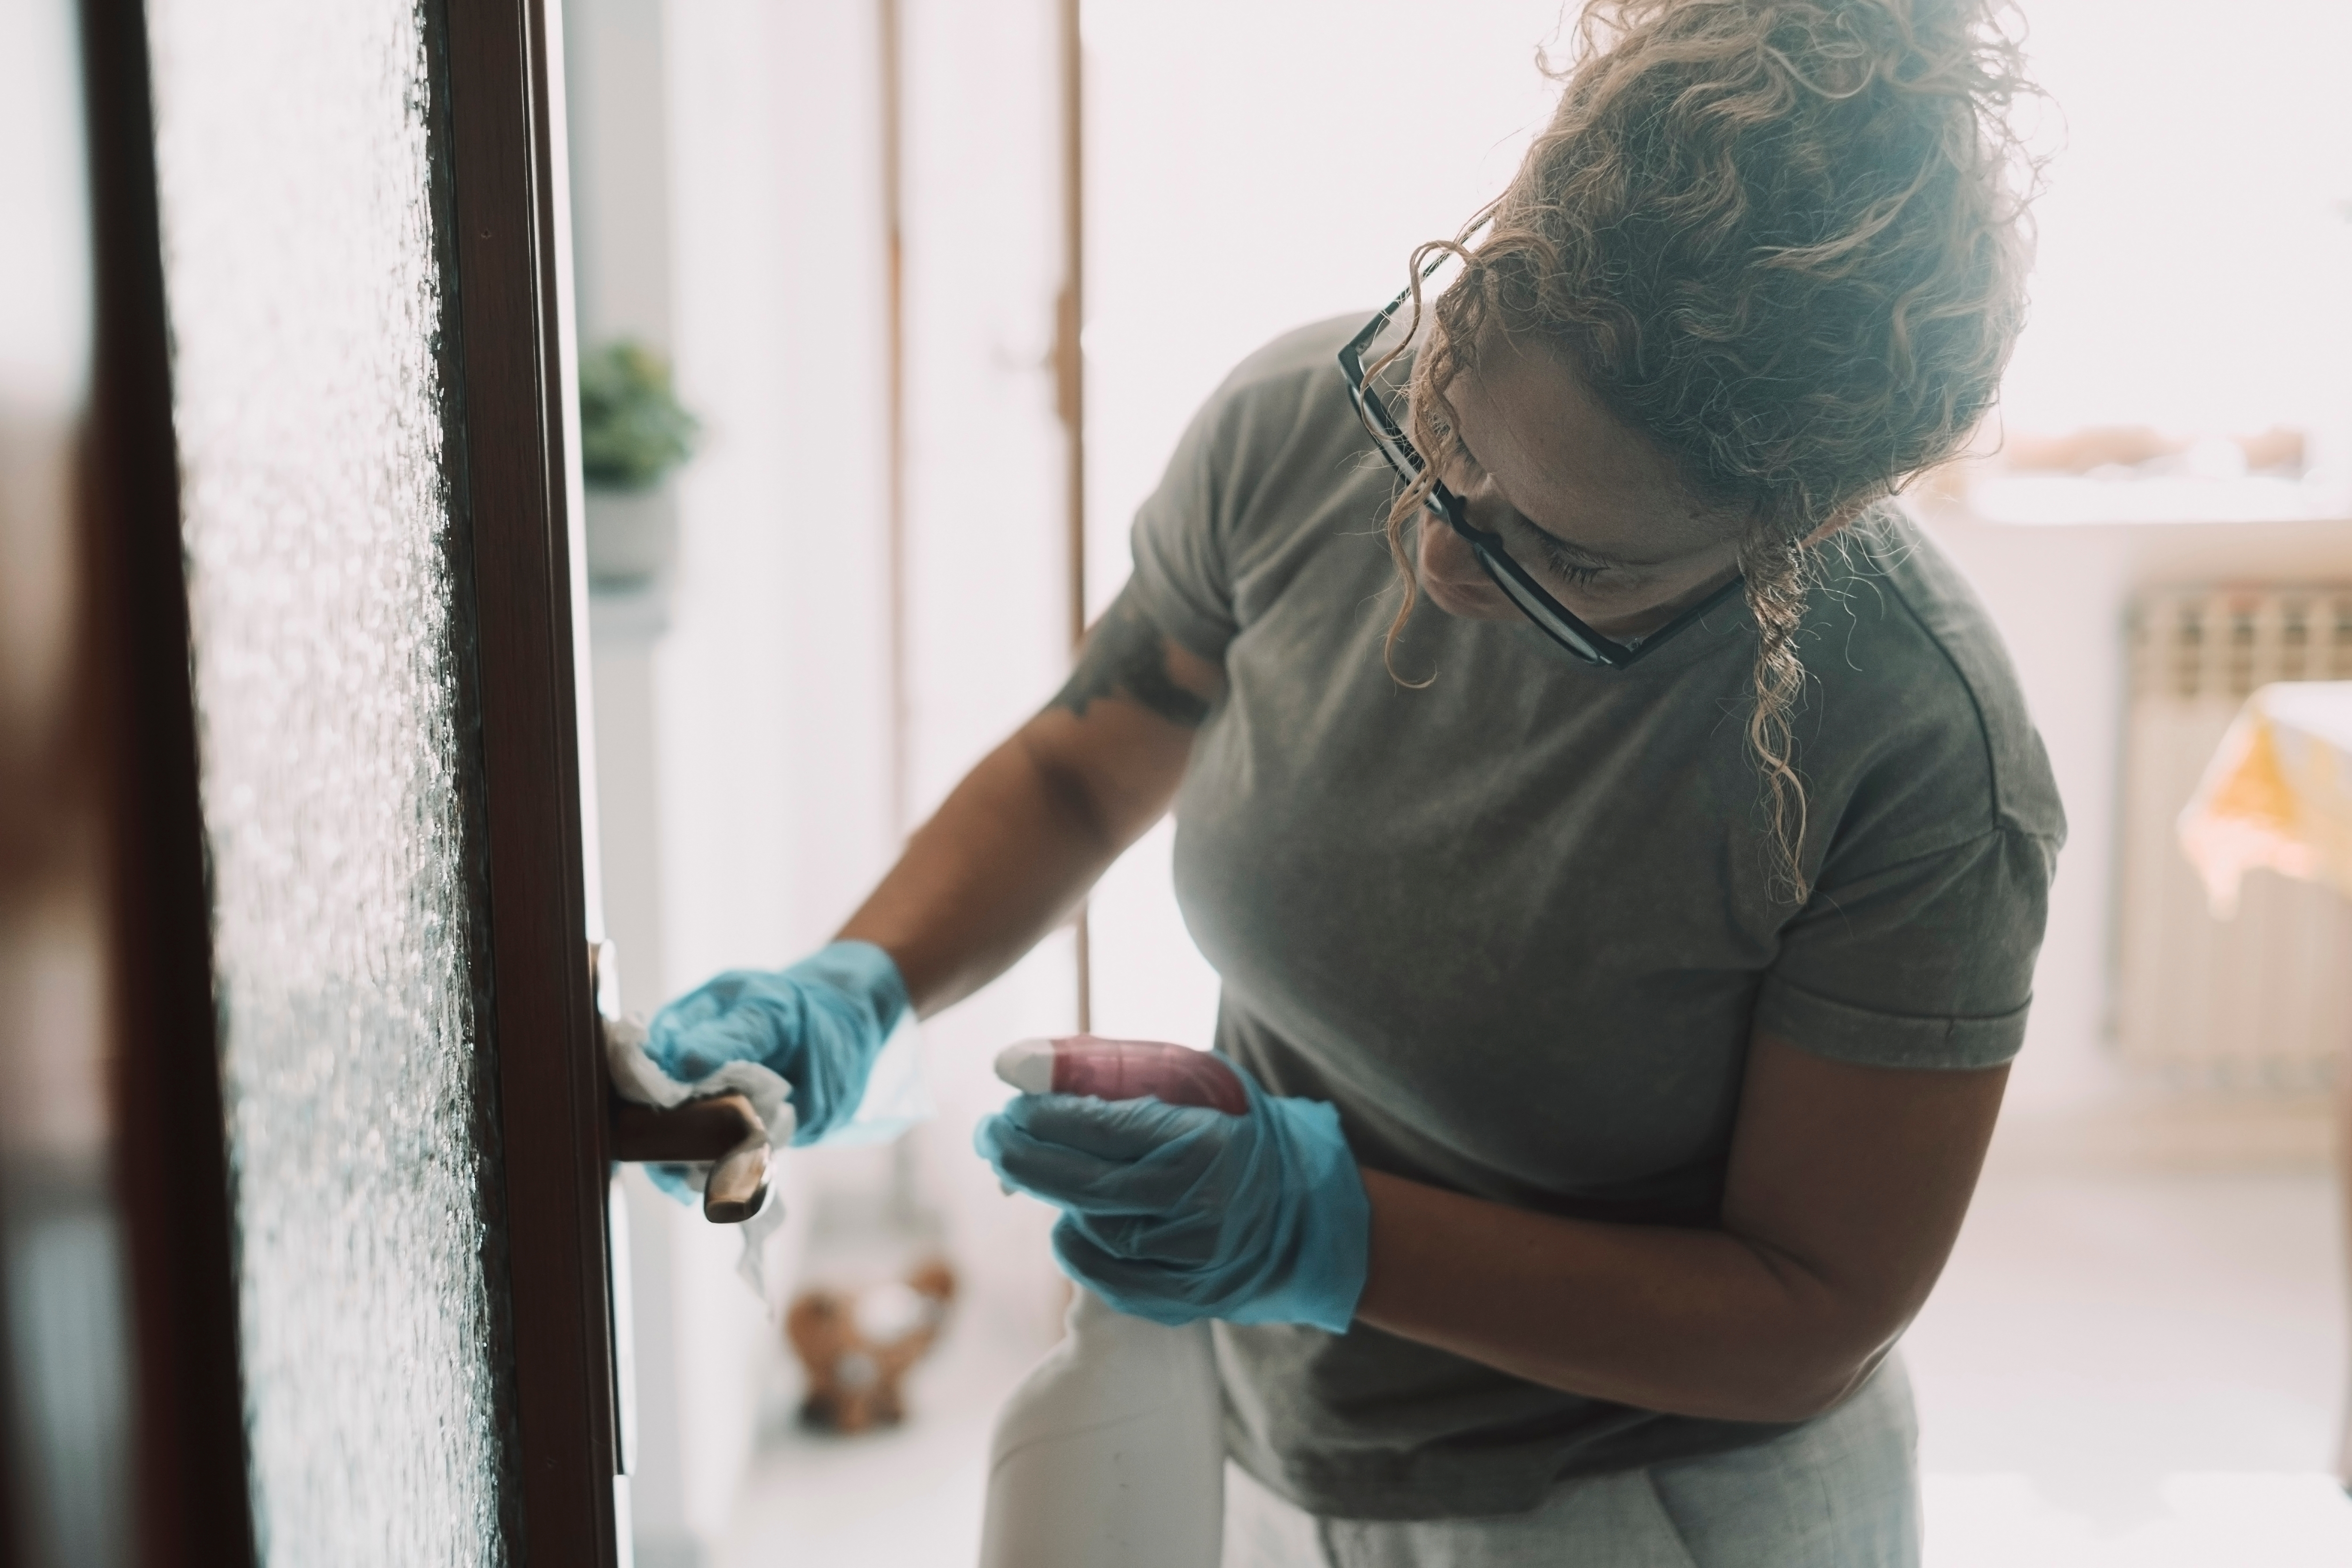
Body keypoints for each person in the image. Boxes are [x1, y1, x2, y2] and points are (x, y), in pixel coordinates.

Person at [645, 0, 2060, 1560]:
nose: (1443, 553)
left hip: (1640, 1510)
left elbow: (1805, 1316)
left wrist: (1323, 1224)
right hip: (1274, 1429)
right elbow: (1080, 768)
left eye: (1566, 553)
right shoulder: (1293, 427)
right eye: (1439, 428)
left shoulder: (1916, 751)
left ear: (1785, 536)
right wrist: (862, 983)